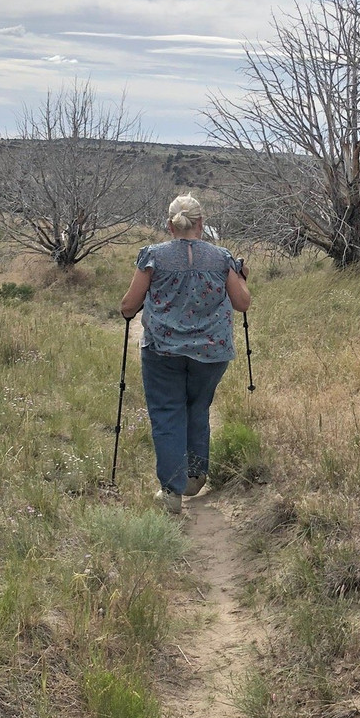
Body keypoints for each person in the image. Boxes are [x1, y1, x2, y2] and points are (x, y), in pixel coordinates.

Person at [120, 194, 251, 514]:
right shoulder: (222, 259)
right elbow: (242, 303)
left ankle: (172, 492)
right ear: (201, 224)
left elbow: (127, 307)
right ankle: (195, 476)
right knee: (198, 406)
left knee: (167, 413)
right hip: (211, 352)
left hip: (162, 351)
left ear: (170, 225)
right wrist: (242, 277)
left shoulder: (152, 257)